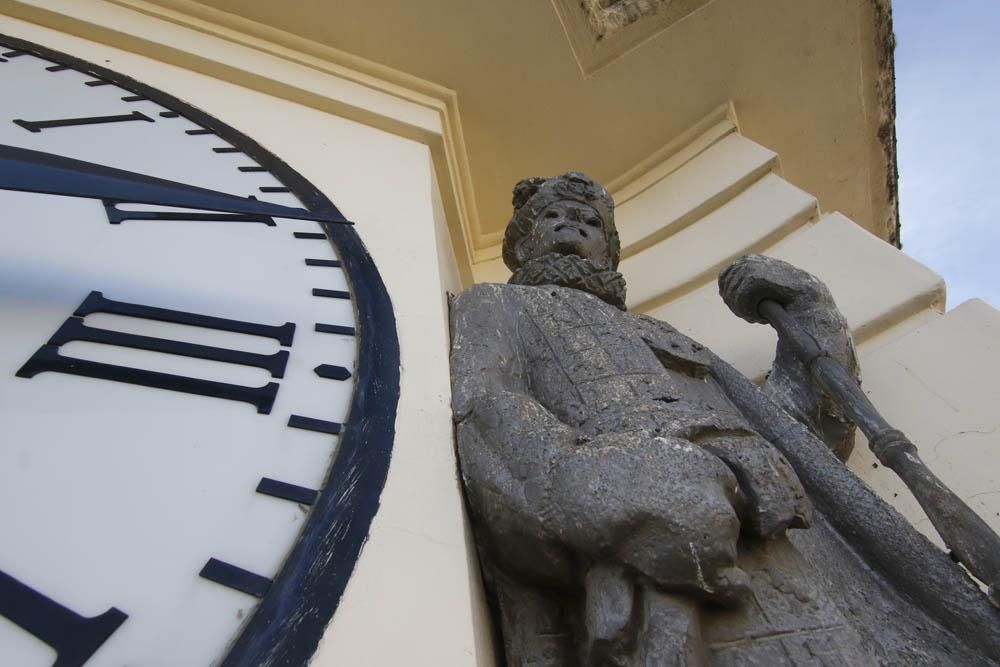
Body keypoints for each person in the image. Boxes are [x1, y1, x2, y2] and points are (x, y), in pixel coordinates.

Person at [449, 172, 1000, 665]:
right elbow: (492, 412)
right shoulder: (497, 304)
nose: (573, 224)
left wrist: (810, 310)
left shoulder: (667, 336)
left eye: (591, 221)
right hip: (654, 542)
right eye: (553, 215)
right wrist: (603, 491)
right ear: (523, 240)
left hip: (790, 547)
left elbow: (796, 437)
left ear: (609, 250)